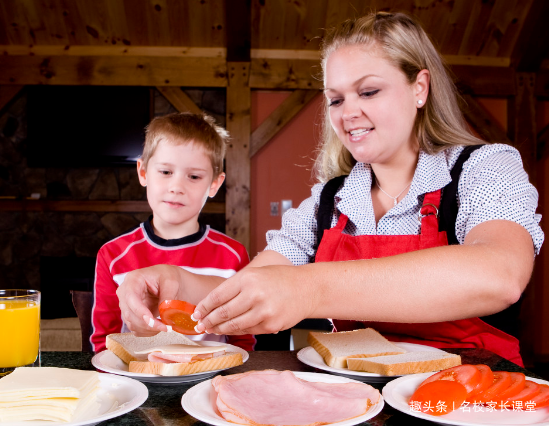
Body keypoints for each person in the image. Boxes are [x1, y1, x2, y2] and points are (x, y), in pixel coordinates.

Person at [116, 12, 543, 365]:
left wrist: (308, 288)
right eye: (336, 99)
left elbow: (500, 274)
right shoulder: (330, 199)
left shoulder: (484, 167)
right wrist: (175, 283)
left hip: (474, 394)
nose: (348, 113)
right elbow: (256, 285)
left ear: (420, 88)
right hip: (362, 394)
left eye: (369, 91)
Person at [90, 112, 256, 352]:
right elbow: (104, 341)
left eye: (194, 176)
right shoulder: (112, 254)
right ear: (143, 172)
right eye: (166, 172)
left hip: (209, 379)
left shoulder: (233, 255)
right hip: (138, 378)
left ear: (214, 185)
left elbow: (242, 340)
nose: (177, 187)